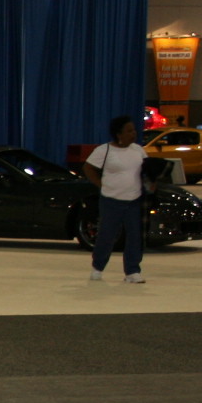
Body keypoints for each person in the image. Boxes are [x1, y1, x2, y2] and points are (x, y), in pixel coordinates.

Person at [83, 115, 150, 283]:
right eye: (128, 131)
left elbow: (147, 171)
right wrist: (101, 184)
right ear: (118, 134)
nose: (133, 133)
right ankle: (98, 267)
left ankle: (132, 271)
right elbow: (88, 168)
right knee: (107, 236)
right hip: (111, 201)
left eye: (134, 130)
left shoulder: (138, 150)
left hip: (134, 201)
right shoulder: (104, 150)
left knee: (135, 236)